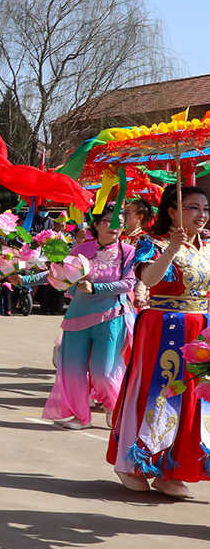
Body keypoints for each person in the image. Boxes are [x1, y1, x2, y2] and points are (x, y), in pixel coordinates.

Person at [109, 186, 210, 498]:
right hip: (164, 328)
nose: (202, 215)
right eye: (193, 207)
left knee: (193, 399)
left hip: (200, 328)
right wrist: (171, 250)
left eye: (205, 209)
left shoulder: (206, 248)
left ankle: (172, 470)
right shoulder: (153, 243)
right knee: (157, 393)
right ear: (172, 211)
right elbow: (149, 280)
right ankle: (133, 463)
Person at [42, 213, 136, 430]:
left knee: (103, 372)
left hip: (111, 317)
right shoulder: (81, 249)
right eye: (108, 221)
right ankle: (80, 417)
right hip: (77, 317)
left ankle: (113, 407)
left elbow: (128, 284)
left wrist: (96, 288)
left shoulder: (128, 251)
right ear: (96, 225)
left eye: (119, 223)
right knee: (73, 371)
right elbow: (59, 275)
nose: (114, 226)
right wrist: (23, 278)